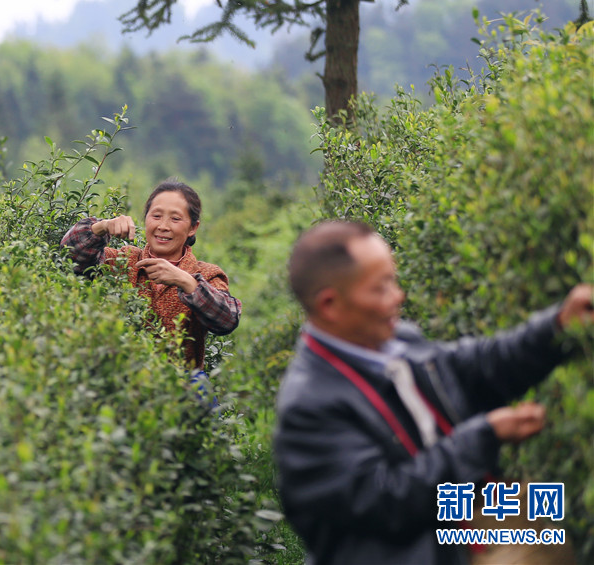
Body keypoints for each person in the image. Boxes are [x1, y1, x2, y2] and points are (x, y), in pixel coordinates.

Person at [273, 220, 593, 565]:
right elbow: (389, 501)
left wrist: (557, 327)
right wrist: (484, 436)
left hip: (452, 519)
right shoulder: (309, 408)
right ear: (330, 305)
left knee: (544, 514)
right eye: (380, 288)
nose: (398, 296)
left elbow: (478, 368)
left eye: (393, 281)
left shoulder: (397, 343)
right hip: (414, 549)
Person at [60, 179, 241, 371]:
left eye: (175, 219)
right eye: (156, 216)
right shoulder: (122, 261)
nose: (163, 226)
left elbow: (227, 320)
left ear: (193, 228)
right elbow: (67, 257)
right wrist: (100, 227)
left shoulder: (206, 274)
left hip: (178, 391)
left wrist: (185, 281)